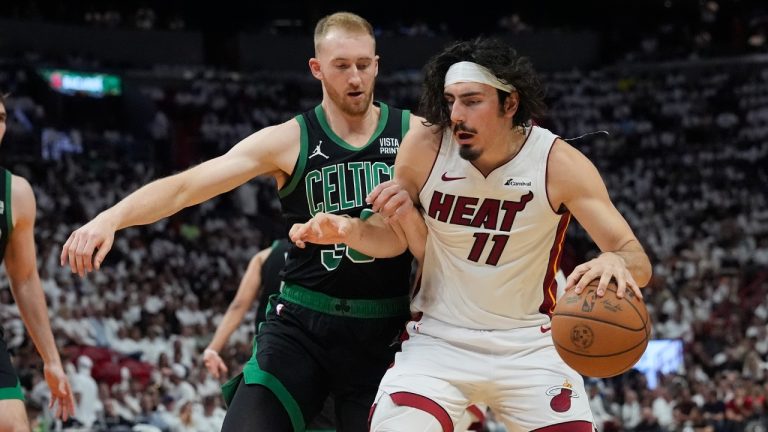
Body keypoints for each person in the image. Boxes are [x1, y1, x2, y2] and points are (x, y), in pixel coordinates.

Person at [60, 12, 423, 432]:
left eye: (364, 64)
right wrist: (112, 218)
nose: (356, 77)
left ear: (377, 64)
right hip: (303, 324)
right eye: (342, 66)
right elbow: (187, 186)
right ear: (317, 68)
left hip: (384, 331)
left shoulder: (413, 134)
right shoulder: (290, 139)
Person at [290, 37, 652, 431]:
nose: (456, 114)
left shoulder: (558, 163)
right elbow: (395, 237)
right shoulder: (426, 146)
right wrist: (350, 230)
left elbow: (636, 259)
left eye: (472, 101)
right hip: (439, 340)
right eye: (450, 100)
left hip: (529, 344)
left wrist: (615, 258)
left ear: (509, 103)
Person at [0, 93, 76, 429]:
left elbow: (25, 278)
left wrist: (52, 360)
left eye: (1, 118)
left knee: (16, 426)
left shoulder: (14, 192)